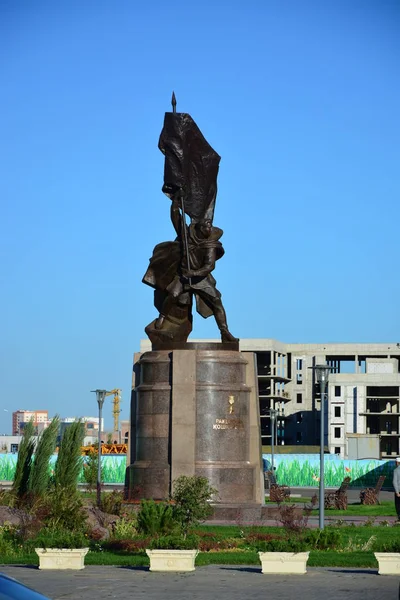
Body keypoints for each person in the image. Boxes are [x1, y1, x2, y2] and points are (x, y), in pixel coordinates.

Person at [143, 193, 237, 343]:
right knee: (172, 295)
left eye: (210, 225)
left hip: (200, 278)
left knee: (216, 300)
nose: (209, 227)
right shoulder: (186, 236)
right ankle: (162, 318)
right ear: (199, 228)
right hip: (182, 276)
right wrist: (175, 203)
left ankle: (224, 332)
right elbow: (176, 218)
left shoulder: (210, 245)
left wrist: (193, 273)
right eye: (206, 225)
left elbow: (209, 266)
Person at [393, 456, 400, 522]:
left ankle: (399, 518)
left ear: (397, 462)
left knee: (398, 505)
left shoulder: (396, 470)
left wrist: (397, 492)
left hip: (399, 490)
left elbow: (394, 482)